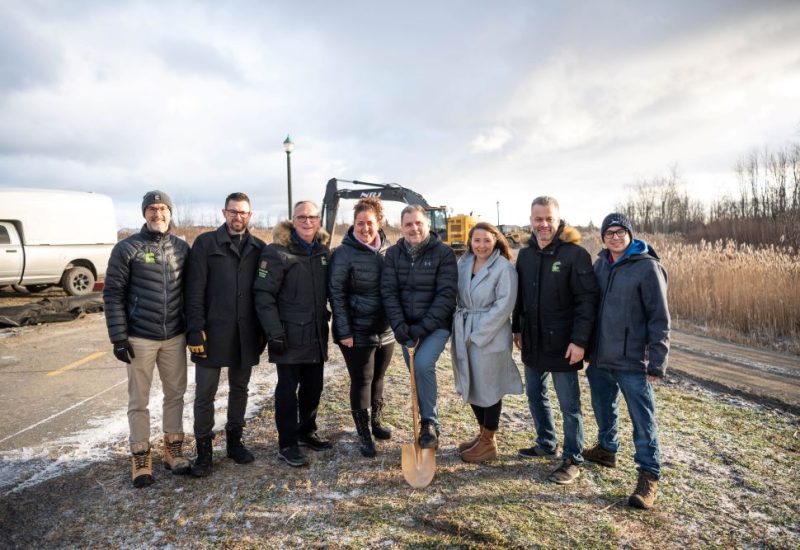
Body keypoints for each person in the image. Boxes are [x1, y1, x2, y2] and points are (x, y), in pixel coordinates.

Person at [103, 190, 191, 488]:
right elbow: (113, 294)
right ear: (144, 213)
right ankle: (141, 454)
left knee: (175, 393)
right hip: (140, 337)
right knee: (138, 399)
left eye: (163, 209)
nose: (158, 214)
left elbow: (192, 293)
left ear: (170, 212)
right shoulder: (127, 248)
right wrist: (118, 336)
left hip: (175, 337)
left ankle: (173, 447)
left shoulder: (181, 248)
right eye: (152, 209)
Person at [585, 212, 670, 510]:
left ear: (630, 234)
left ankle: (649, 475)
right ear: (603, 237)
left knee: (642, 420)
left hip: (633, 359)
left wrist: (656, 361)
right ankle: (607, 449)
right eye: (609, 232)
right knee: (602, 406)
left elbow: (659, 318)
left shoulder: (648, 268)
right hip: (600, 356)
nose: (615, 236)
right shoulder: (601, 264)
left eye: (621, 231)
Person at [512, 196, 598, 485]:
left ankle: (573, 457)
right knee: (535, 395)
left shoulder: (575, 255)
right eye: (538, 219)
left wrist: (580, 341)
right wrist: (517, 328)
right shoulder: (525, 255)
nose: (544, 224)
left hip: (564, 343)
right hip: (533, 340)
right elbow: (519, 297)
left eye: (549, 218)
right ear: (531, 220)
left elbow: (587, 301)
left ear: (559, 219)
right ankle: (546, 442)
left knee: (569, 405)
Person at [185, 192, 266, 477]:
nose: (238, 217)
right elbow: (194, 291)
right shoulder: (206, 244)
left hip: (245, 333)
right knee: (205, 393)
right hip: (211, 332)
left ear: (250, 215)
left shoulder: (259, 248)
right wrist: (194, 331)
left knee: (240, 389)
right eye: (233, 211)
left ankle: (234, 443)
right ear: (224, 213)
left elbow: (263, 294)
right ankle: (204, 453)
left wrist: (263, 332)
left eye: (243, 212)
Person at [253, 200, 332, 467]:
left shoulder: (322, 252)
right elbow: (263, 295)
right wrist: (274, 332)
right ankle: (287, 443)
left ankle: (306, 431)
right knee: (288, 391)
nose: (307, 222)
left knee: (314, 387)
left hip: (315, 334)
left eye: (311, 217)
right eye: (301, 217)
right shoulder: (277, 252)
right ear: (293, 220)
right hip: (287, 336)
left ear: (318, 220)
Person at [381, 205, 457, 449]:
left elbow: (446, 295)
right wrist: (399, 325)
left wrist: (422, 328)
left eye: (418, 223)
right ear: (401, 227)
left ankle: (430, 423)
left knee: (423, 365)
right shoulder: (393, 254)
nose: (413, 228)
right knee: (415, 373)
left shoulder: (443, 253)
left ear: (427, 225)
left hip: (436, 326)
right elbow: (389, 292)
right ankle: (427, 422)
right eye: (408, 224)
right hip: (406, 327)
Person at [328, 197, 395, 458]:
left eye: (370, 223)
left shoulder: (389, 250)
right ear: (353, 224)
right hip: (356, 331)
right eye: (359, 223)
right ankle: (363, 433)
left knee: (379, 378)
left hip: (386, 330)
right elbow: (336, 292)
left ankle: (377, 422)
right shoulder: (343, 253)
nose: (365, 228)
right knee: (362, 380)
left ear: (379, 223)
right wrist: (343, 331)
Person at [451, 222, 523, 463]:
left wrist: (479, 334)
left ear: (496, 241)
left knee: (489, 387)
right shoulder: (463, 263)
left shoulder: (504, 268)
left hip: (490, 333)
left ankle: (489, 441)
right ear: (470, 241)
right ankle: (483, 433)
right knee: (470, 381)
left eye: (486, 240)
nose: (481, 245)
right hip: (463, 327)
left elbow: (504, 307)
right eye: (476, 240)